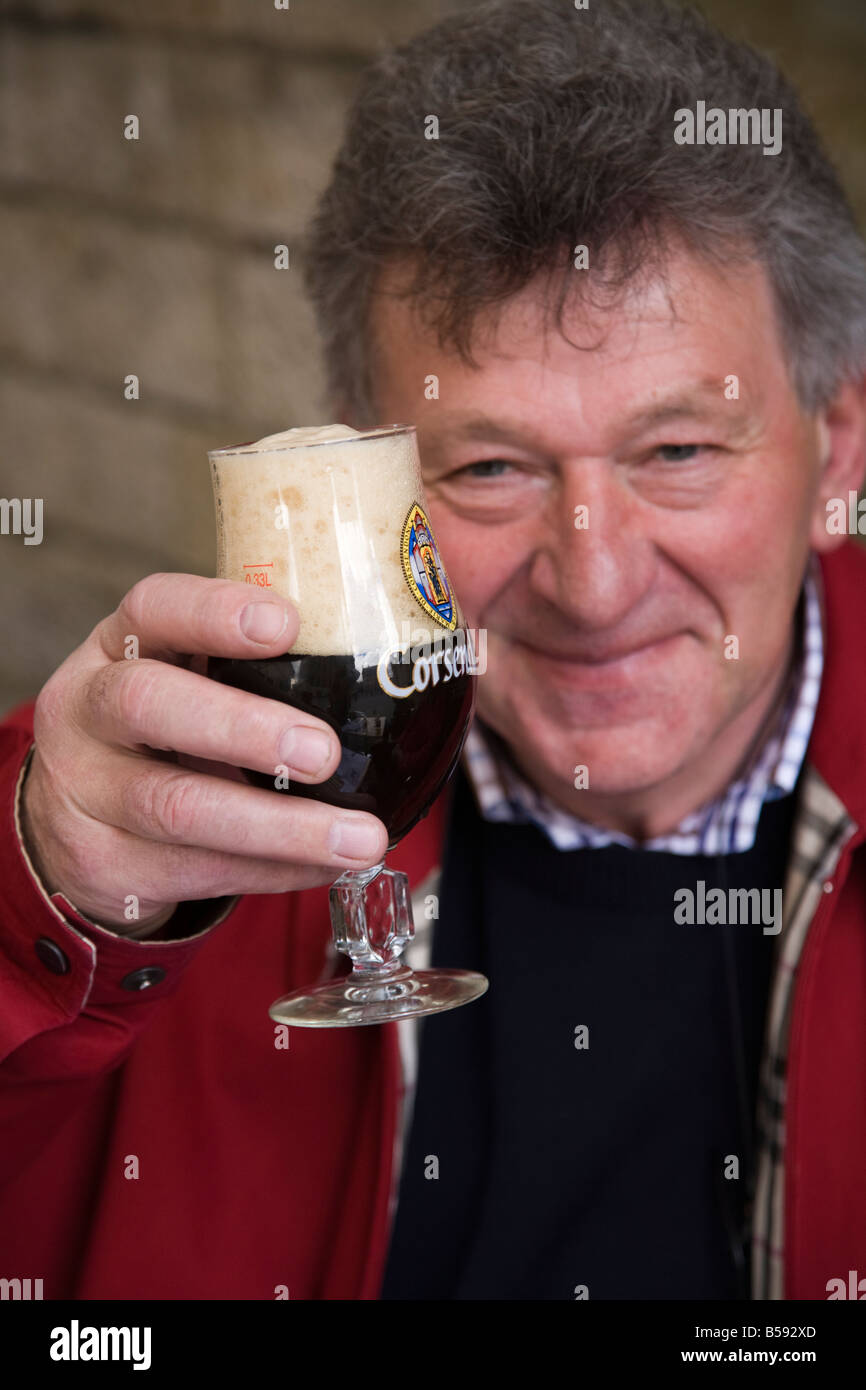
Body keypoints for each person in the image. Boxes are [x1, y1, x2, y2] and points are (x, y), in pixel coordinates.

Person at [2, 0, 865, 1302]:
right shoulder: (151, 836)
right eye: (489, 466)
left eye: (676, 451)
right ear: (369, 472)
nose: (592, 578)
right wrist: (32, 913)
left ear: (837, 446)